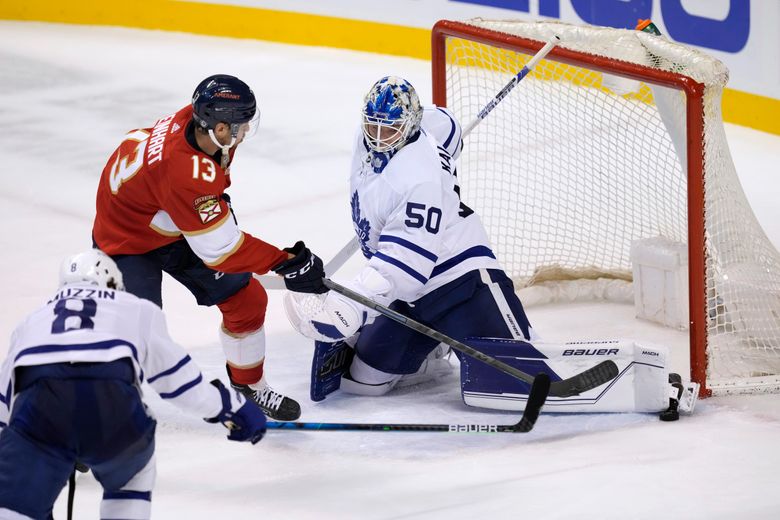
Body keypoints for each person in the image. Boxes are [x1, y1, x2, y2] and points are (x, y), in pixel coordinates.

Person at [92, 74, 327, 421]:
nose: (244, 132)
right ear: (217, 126)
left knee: (246, 300)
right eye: (239, 125)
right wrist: (285, 262)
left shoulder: (199, 125)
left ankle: (249, 387)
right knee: (137, 332)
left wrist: (209, 206)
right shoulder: (185, 171)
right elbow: (222, 251)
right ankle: (92, 419)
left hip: (168, 222)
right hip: (125, 238)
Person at [285, 76, 535, 400]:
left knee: (511, 381)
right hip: (414, 296)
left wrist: (350, 305)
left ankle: (482, 333)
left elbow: (404, 266)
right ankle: (434, 349)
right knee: (363, 382)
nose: (378, 138)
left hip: (459, 279)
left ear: (410, 126)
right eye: (372, 126)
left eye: (388, 130)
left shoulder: (418, 178)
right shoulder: (393, 135)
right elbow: (447, 125)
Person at [0, 249, 267, 520]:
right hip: (114, 413)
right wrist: (231, 408)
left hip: (40, 411)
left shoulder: (32, 322)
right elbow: (178, 384)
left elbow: (3, 400)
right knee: (130, 485)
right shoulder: (135, 308)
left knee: (14, 507)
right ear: (114, 282)